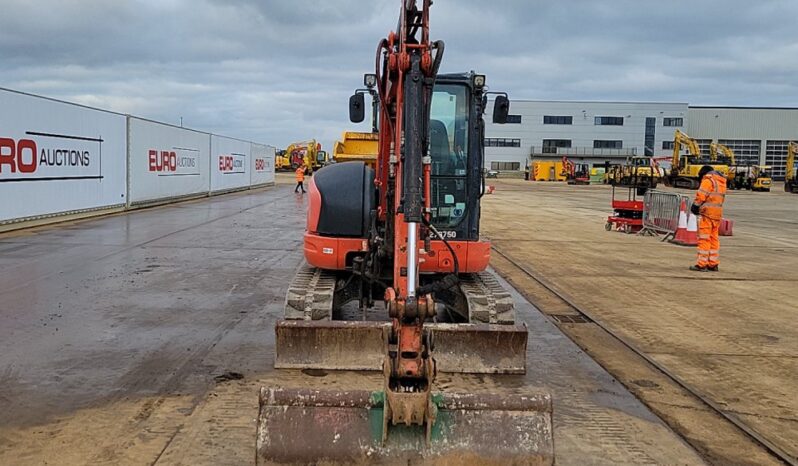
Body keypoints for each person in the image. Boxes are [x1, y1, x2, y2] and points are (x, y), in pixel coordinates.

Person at [690, 165, 726, 272]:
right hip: (717, 214)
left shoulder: (708, 180)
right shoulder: (721, 181)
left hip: (707, 214)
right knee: (714, 239)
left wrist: (695, 205)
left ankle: (702, 264)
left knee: (704, 239)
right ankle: (713, 263)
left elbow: (701, 195)